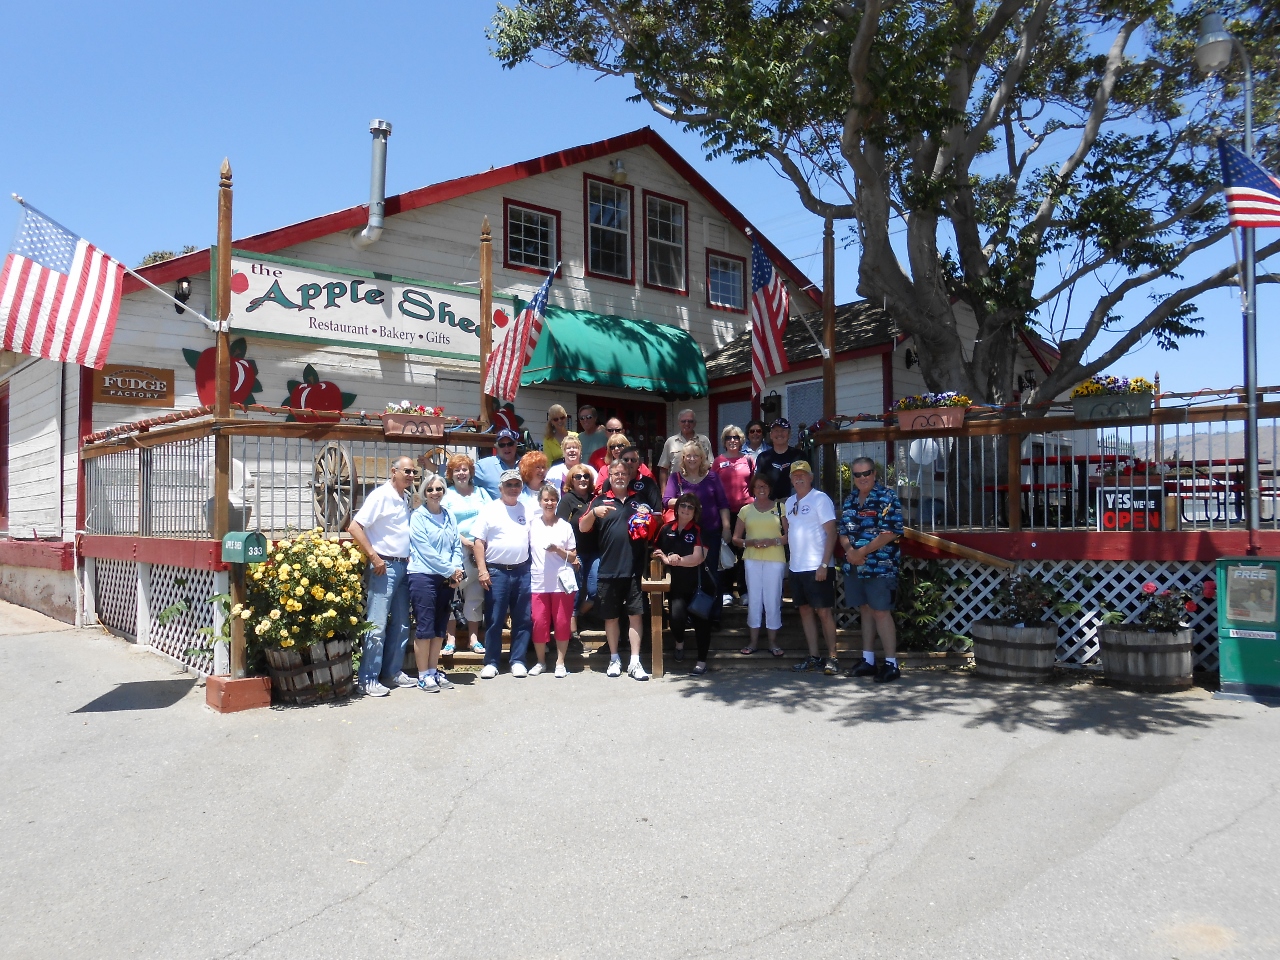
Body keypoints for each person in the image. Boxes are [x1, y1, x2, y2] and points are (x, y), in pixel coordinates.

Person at [346, 456, 417, 697]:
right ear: (393, 471)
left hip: (403, 566)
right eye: (406, 471)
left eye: (413, 472)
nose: (410, 475)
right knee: (377, 625)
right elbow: (354, 526)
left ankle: (392, 672)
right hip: (384, 566)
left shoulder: (405, 497)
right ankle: (367, 679)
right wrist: (374, 557)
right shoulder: (380, 495)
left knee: (401, 624)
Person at [579, 459, 651, 680]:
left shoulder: (639, 501)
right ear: (609, 477)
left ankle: (635, 662)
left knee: (635, 616)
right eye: (615, 474)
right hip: (608, 570)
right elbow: (582, 526)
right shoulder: (599, 501)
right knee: (610, 618)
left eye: (623, 473)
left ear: (629, 476)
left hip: (633, 569)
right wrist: (594, 512)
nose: (619, 477)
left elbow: (650, 527)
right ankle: (614, 658)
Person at [839, 456, 905, 683]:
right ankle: (868, 660)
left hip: (881, 565)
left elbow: (891, 532)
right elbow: (843, 531)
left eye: (866, 473)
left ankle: (891, 663)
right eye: (857, 475)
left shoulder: (887, 497)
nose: (862, 478)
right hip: (855, 564)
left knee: (880, 611)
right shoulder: (850, 500)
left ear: (874, 474)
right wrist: (850, 551)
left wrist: (861, 552)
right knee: (865, 609)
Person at [406, 476, 465, 692]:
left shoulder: (449, 515)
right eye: (430, 489)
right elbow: (425, 550)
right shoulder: (418, 517)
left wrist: (456, 571)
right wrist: (451, 570)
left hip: (446, 578)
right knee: (425, 627)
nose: (435, 492)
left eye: (439, 488)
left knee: (440, 627)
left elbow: (456, 546)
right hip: (423, 576)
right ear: (424, 492)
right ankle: (422, 675)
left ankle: (433, 670)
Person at [473, 469, 533, 679]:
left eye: (517, 484)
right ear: (501, 488)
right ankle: (491, 661)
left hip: (523, 570)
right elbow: (478, 542)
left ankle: (517, 660)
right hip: (496, 571)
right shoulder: (489, 510)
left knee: (523, 618)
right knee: (495, 618)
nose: (513, 488)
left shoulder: (527, 510)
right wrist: (482, 570)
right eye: (509, 485)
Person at [663, 441, 730, 621]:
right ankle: (690, 614)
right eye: (688, 456)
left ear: (702, 458)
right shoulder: (675, 478)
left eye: (696, 455)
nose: (692, 459)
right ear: (683, 459)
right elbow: (666, 500)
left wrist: (726, 527)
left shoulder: (713, 477)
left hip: (711, 532)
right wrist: (685, 501)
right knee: (689, 574)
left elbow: (723, 504)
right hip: (686, 533)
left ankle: (713, 614)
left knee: (712, 574)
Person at [785, 460, 841, 676]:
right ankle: (814, 656)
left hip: (818, 566)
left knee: (824, 612)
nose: (799, 478)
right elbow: (791, 533)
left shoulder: (820, 499)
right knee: (805, 611)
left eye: (803, 475)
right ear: (791, 479)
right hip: (797, 567)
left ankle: (833, 657)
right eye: (795, 475)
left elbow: (832, 533)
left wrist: (824, 564)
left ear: (811, 477)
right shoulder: (790, 502)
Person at [653, 493, 713, 674]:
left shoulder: (699, 530)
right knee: (676, 618)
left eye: (690, 507)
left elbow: (698, 558)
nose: (686, 510)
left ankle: (701, 662)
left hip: (699, 585)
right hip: (676, 586)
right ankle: (679, 643)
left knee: (702, 625)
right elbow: (657, 549)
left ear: (695, 512)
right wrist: (663, 557)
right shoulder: (666, 528)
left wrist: (676, 560)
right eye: (683, 506)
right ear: (677, 508)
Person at [731, 472, 787, 658]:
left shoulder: (780, 508)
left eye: (764, 486)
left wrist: (773, 541)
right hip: (752, 558)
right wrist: (750, 542)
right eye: (757, 486)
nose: (761, 489)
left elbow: (788, 536)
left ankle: (773, 642)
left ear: (770, 488)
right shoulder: (746, 510)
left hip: (775, 559)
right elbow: (736, 539)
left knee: (772, 600)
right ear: (753, 489)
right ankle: (753, 642)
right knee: (755, 599)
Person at [441, 454, 490, 656]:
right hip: (455, 549)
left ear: (471, 472)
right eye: (457, 470)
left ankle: (473, 638)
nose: (461, 473)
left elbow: (490, 517)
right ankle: (450, 640)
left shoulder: (482, 493)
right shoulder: (447, 495)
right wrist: (465, 541)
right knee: (451, 592)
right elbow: (445, 523)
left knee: (475, 594)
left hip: (478, 549)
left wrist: (478, 543)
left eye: (465, 469)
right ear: (451, 474)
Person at [529, 483, 578, 677]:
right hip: (538, 581)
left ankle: (560, 662)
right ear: (540, 502)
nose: (549, 503)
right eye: (546, 499)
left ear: (557, 502)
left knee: (562, 623)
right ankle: (541, 662)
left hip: (561, 582)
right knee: (539, 623)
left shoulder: (565, 526)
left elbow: (574, 557)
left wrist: (557, 550)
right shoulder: (532, 524)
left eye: (552, 499)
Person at [557, 465, 600, 638]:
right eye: (578, 476)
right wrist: (569, 554)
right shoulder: (567, 499)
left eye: (586, 476)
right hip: (576, 552)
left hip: (596, 551)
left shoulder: (595, 499)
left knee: (595, 590)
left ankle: (581, 614)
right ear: (571, 480)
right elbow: (560, 528)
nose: (582, 479)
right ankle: (572, 631)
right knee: (574, 590)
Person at [713, 424, 754, 604]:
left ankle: (744, 591)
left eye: (736, 437)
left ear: (741, 440)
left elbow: (755, 483)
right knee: (726, 552)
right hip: (724, 512)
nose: (732, 441)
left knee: (745, 551)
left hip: (746, 510)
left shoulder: (749, 460)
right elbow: (712, 486)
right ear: (724, 441)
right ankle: (726, 591)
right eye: (729, 437)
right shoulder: (718, 460)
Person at [657, 408, 713, 491]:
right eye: (683, 421)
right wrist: (663, 492)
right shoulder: (671, 442)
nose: (687, 424)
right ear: (678, 423)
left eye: (690, 421)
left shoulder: (704, 440)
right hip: (676, 488)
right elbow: (663, 469)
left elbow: (710, 466)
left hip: (701, 486)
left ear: (695, 423)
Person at [754, 418, 804, 502]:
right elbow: (759, 484)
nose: (780, 434)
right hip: (769, 505)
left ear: (789, 434)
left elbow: (805, 482)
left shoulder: (799, 455)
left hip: (796, 504)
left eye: (783, 430)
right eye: (776, 430)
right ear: (771, 435)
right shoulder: (762, 457)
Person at [474, 428, 522, 498]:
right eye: (502, 445)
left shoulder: (528, 464)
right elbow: (463, 480)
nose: (506, 448)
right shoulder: (483, 466)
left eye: (510, 444)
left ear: (516, 444)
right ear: (496, 446)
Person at [616, 444, 662, 509]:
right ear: (620, 462)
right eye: (626, 460)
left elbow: (657, 514)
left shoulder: (649, 483)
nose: (629, 462)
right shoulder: (610, 482)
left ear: (639, 463)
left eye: (633, 460)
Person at [518, 450, 549, 515]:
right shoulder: (519, 490)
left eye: (543, 467)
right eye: (538, 467)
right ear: (528, 469)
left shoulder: (551, 488)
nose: (542, 470)